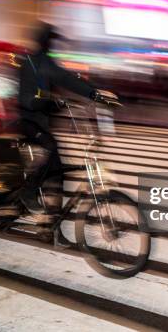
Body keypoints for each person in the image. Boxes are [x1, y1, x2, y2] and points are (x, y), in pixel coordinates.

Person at [18, 22, 117, 223]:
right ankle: (28, 192)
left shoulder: (44, 62)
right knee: (50, 146)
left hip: (40, 122)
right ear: (43, 41)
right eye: (50, 41)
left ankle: (52, 223)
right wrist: (47, 101)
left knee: (57, 172)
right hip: (25, 121)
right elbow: (28, 98)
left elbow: (68, 79)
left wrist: (95, 93)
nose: (53, 45)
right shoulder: (30, 61)